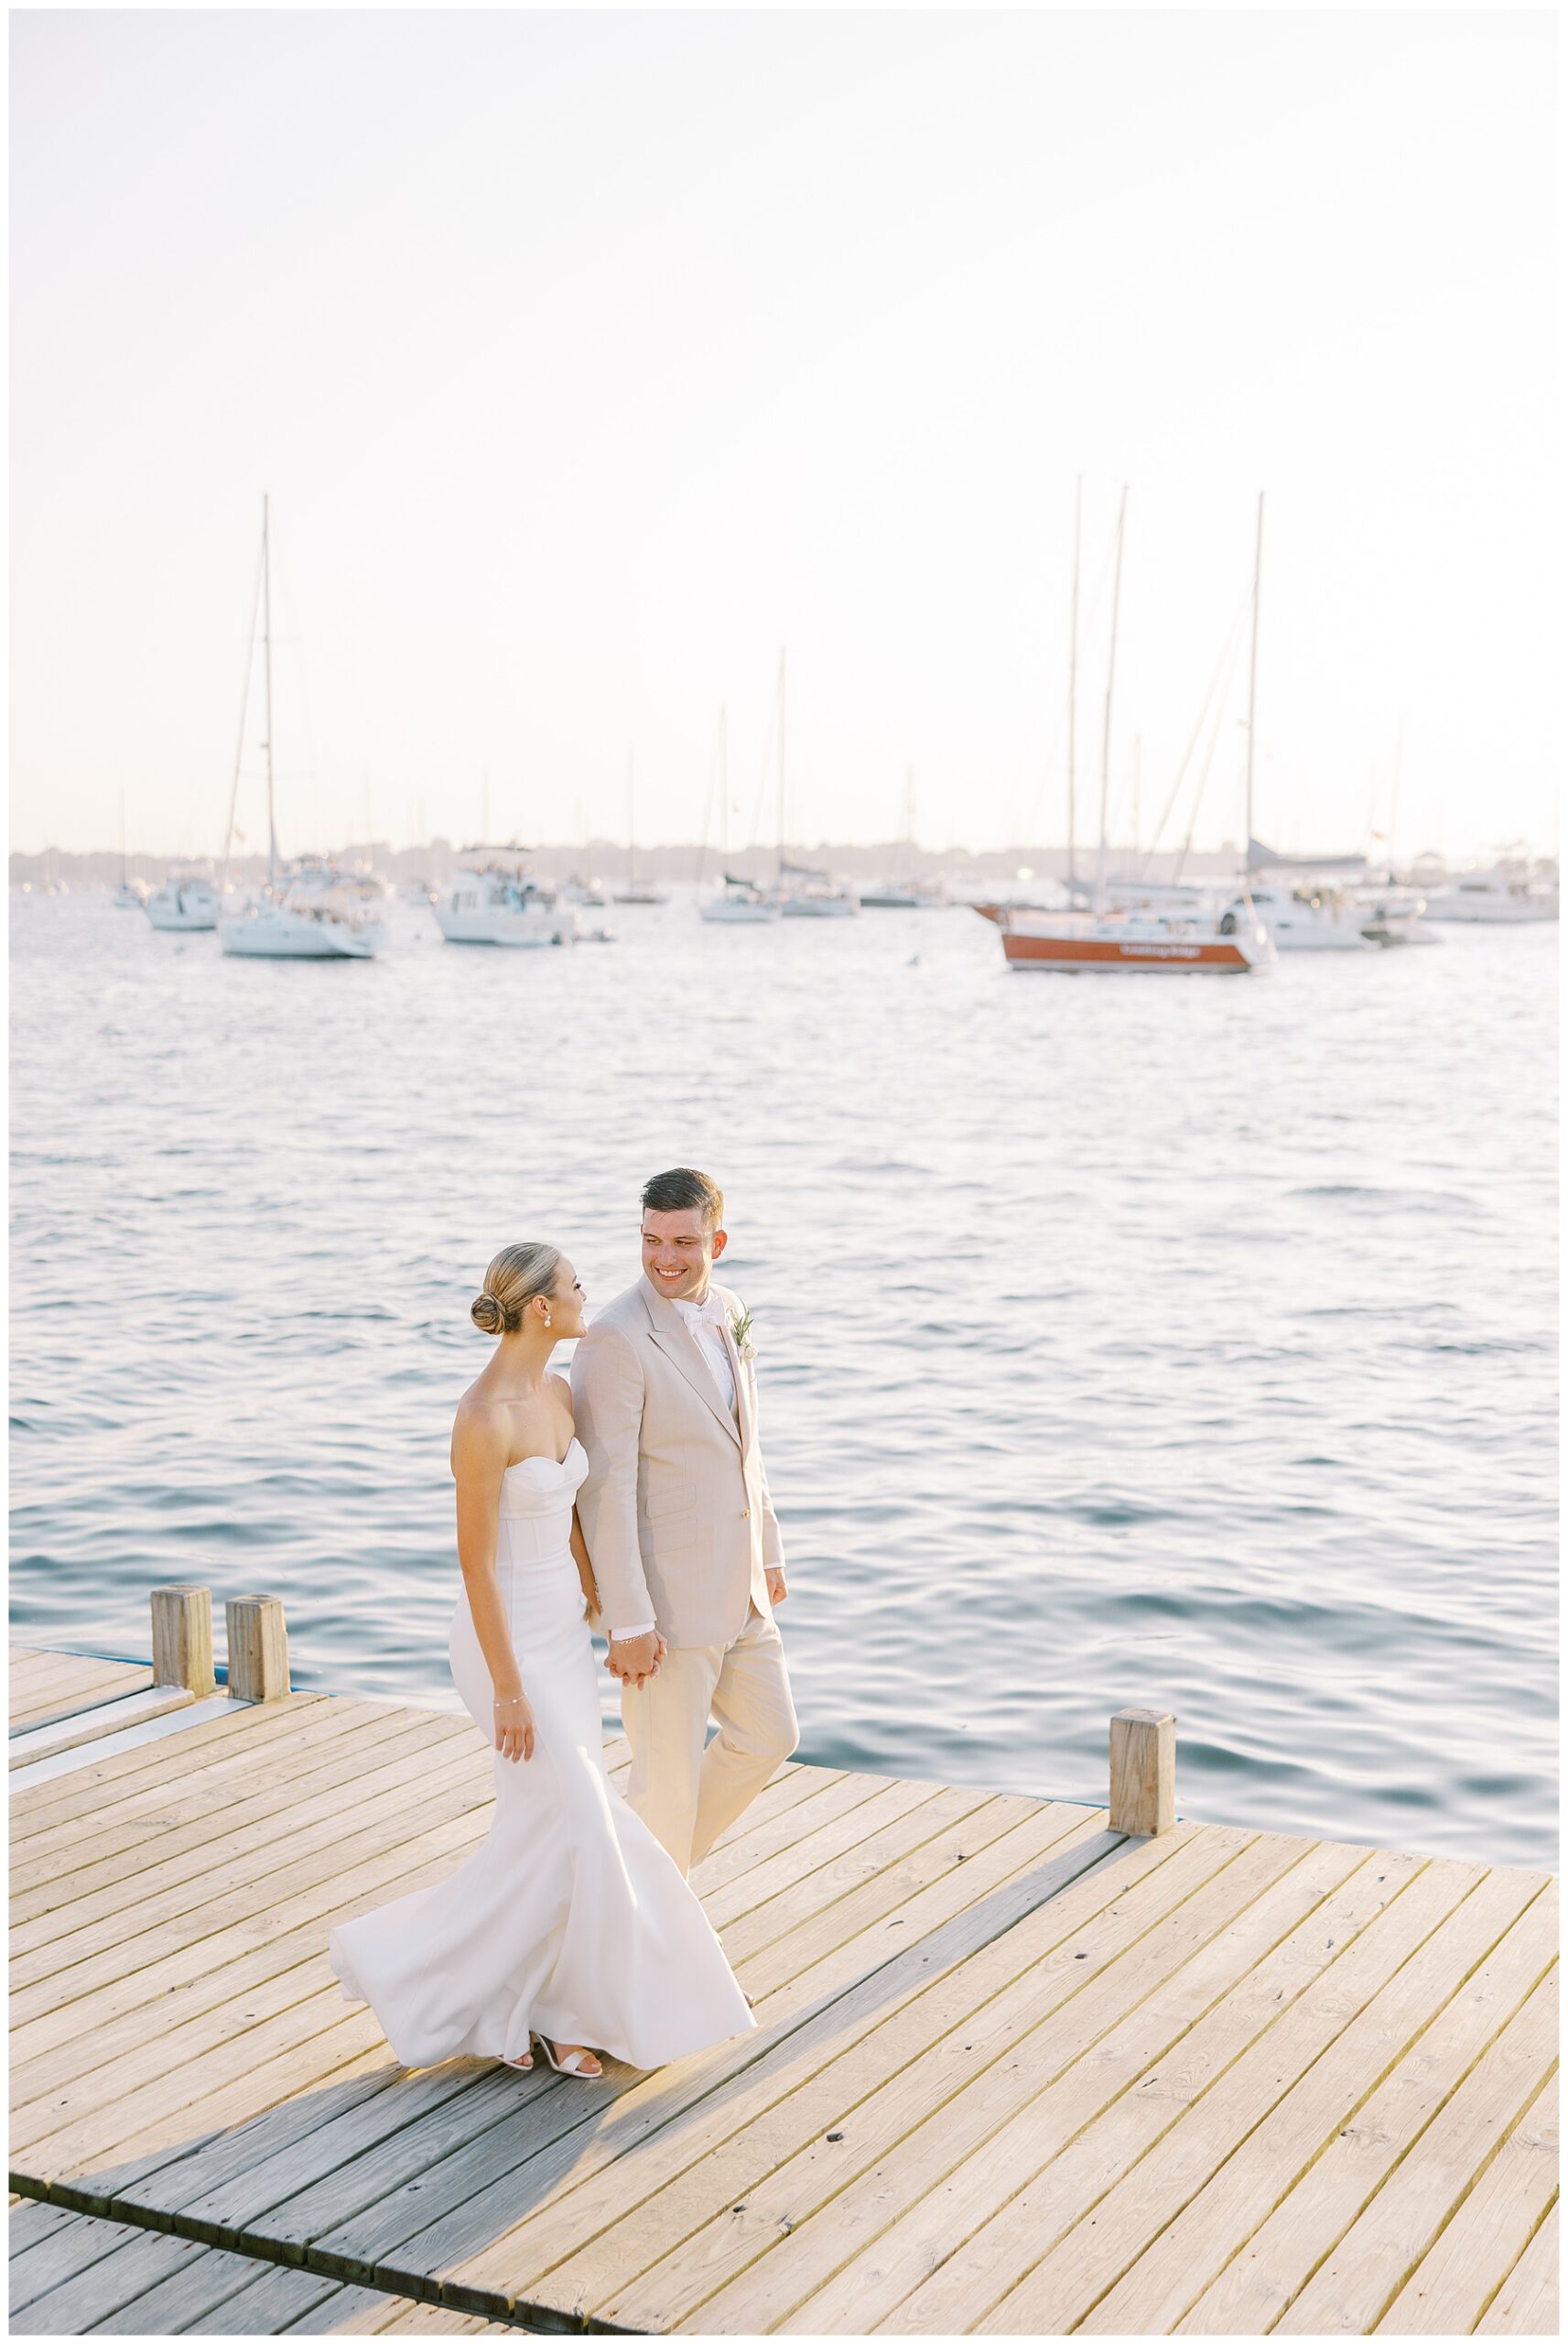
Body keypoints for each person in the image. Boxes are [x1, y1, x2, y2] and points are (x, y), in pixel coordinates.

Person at [328, 1241, 755, 2078]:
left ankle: (526, 2007)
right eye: (572, 1286)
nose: (584, 1293)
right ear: (538, 1310)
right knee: (587, 1824)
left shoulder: (558, 1393)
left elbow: (566, 1517)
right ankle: (513, 1998)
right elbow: (476, 1565)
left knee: (551, 1832)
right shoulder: (481, 1416)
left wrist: (601, 1606)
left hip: (561, 1629)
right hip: (505, 1643)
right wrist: (511, 1692)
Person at [572, 1169, 798, 1882]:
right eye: (650, 1240)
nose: (664, 1258)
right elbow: (604, 1492)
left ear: (717, 1242)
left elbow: (745, 1445)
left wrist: (767, 1549)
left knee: (770, 1736)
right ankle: (645, 1944)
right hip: (664, 1605)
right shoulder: (614, 1338)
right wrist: (628, 1621)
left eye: (683, 1242)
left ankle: (643, 1895)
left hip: (742, 1587)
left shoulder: (728, 1309)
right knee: (663, 1789)